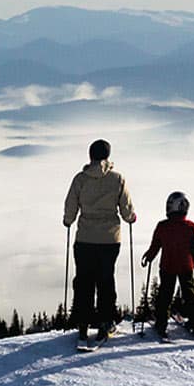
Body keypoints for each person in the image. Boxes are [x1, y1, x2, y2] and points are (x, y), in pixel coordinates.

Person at [63, 139, 137, 343]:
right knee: (106, 280)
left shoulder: (80, 179)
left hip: (85, 238)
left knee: (84, 280)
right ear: (108, 156)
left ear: (90, 156)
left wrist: (68, 221)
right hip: (110, 239)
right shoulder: (117, 178)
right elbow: (126, 210)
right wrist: (131, 218)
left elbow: (70, 206)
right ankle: (105, 322)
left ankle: (83, 323)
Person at [141, 191, 194, 341]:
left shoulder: (163, 226)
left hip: (168, 266)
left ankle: (161, 324)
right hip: (186, 266)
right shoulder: (190, 227)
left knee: (165, 295)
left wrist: (148, 257)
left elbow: (156, 245)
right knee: (190, 294)